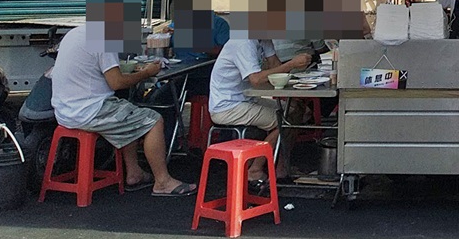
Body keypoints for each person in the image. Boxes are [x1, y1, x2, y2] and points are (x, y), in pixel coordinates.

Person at [50, 15, 195, 196]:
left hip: (65, 110)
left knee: (129, 110)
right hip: (89, 111)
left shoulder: (75, 34)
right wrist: (147, 73)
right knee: (153, 120)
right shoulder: (102, 40)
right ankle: (163, 182)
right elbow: (117, 83)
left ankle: (134, 173)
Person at [209, 33, 313, 188]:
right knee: (285, 120)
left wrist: (295, 71)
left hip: (246, 98)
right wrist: (291, 64)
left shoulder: (263, 39)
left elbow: (275, 66)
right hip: (227, 105)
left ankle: (280, 166)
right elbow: (256, 79)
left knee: (297, 110)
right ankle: (255, 169)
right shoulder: (243, 42)